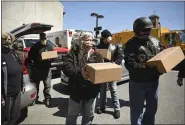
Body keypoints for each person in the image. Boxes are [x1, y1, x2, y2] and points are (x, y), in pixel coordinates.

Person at [124, 17, 164, 125]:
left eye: (149, 30)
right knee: (137, 111)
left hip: (154, 81)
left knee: (152, 110)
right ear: (137, 30)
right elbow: (129, 63)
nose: (148, 32)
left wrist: (162, 67)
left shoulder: (156, 42)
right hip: (138, 82)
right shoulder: (130, 44)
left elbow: (163, 56)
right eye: (144, 30)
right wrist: (145, 66)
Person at [62, 32, 103, 124]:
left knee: (89, 116)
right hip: (76, 91)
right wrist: (80, 72)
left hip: (91, 92)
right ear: (81, 41)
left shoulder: (97, 55)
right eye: (87, 40)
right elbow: (66, 67)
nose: (89, 42)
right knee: (72, 116)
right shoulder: (73, 52)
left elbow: (101, 70)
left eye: (91, 40)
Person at [96, 29, 123, 119]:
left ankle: (117, 110)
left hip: (112, 70)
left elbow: (120, 56)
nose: (110, 38)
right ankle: (102, 107)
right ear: (104, 38)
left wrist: (116, 63)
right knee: (102, 90)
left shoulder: (115, 45)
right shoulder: (99, 46)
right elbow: (96, 58)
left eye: (109, 37)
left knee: (113, 90)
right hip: (103, 71)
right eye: (108, 37)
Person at [1, 31, 24, 125]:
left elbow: (20, 70)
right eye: (4, 39)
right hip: (6, 96)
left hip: (17, 93)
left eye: (9, 39)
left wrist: (22, 85)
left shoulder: (13, 53)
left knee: (15, 116)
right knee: (4, 120)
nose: (7, 41)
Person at [28, 33, 53, 107]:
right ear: (39, 38)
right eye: (42, 38)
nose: (43, 40)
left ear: (46, 38)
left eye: (44, 38)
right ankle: (35, 98)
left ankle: (47, 99)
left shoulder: (49, 46)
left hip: (47, 69)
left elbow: (54, 57)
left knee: (47, 85)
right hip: (37, 69)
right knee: (36, 85)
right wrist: (38, 58)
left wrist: (50, 58)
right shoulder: (35, 46)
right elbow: (30, 56)